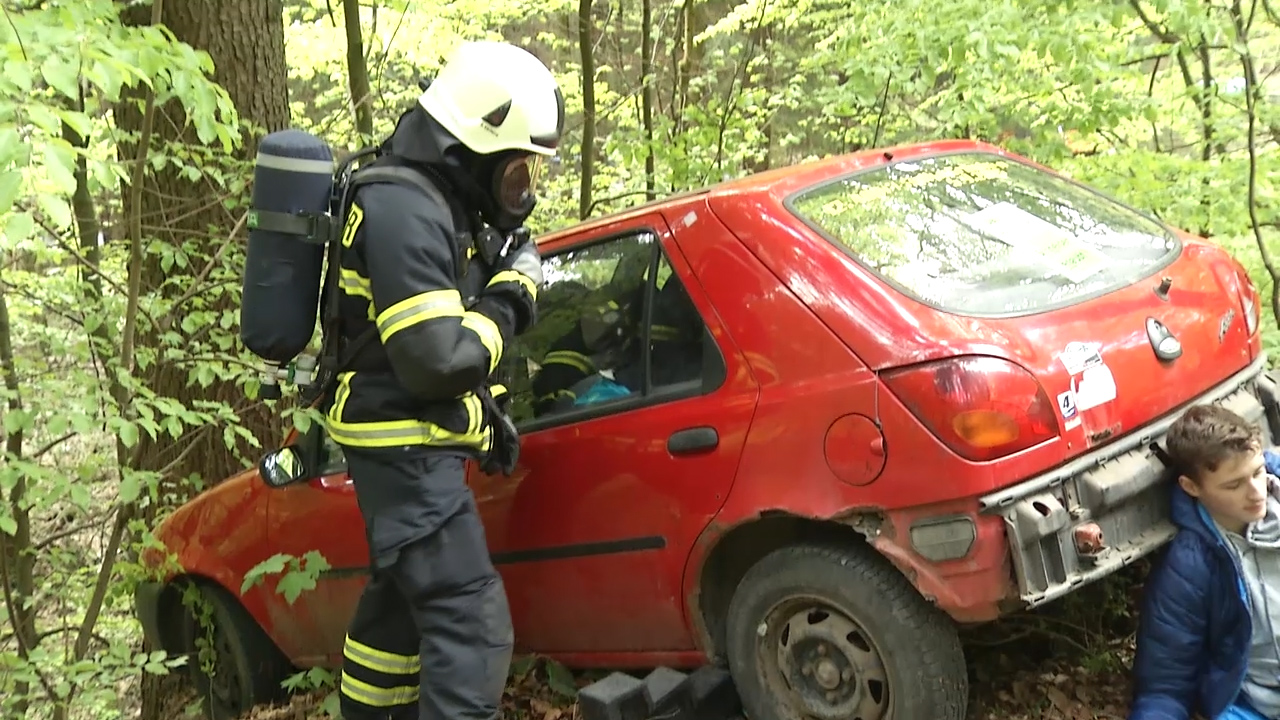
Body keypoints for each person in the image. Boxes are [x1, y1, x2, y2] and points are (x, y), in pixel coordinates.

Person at [321, 40, 564, 720]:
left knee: (397, 617)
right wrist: (512, 296)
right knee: (471, 625)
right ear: (472, 148)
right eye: (516, 170)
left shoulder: (425, 199)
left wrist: (486, 418)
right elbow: (435, 362)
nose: (522, 190)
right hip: (405, 453)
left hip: (404, 446)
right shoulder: (405, 208)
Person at [1129, 404, 1280, 720]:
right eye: (1234, 485)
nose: (1256, 492)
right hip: (1257, 707)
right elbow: (1165, 686)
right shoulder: (1189, 568)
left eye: (1257, 472)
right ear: (1191, 487)